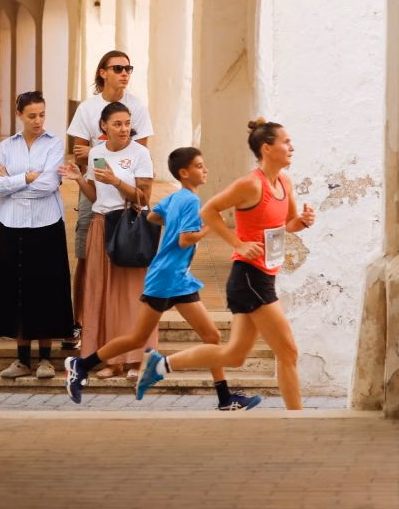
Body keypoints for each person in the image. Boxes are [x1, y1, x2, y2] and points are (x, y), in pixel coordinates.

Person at [63, 147, 262, 411]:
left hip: (174, 277)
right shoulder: (191, 201)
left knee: (204, 336)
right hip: (169, 278)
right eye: (199, 166)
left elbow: (154, 216)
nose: (205, 170)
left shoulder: (176, 196)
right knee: (150, 337)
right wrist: (209, 227)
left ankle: (225, 398)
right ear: (184, 173)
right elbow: (185, 239)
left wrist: (177, 226)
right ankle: (83, 365)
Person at [136, 119, 315, 409]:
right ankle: (297, 421)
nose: (291, 147)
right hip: (250, 277)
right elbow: (209, 210)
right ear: (266, 148)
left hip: (264, 275)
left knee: (234, 355)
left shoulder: (285, 183)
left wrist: (303, 221)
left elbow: (288, 224)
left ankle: (159, 365)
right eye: (286, 142)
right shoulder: (250, 184)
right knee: (288, 352)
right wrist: (238, 244)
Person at [63, 50, 153, 357]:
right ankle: (79, 323)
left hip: (126, 201)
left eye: (129, 68)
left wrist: (103, 155)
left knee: (126, 267)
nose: (125, 73)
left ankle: (126, 336)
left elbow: (137, 152)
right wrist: (97, 159)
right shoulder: (88, 108)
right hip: (97, 190)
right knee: (87, 257)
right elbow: (79, 151)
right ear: (103, 72)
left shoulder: (137, 107)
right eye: (118, 68)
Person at [0, 91, 74, 379]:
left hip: (46, 223)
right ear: (19, 115)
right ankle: (22, 359)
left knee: (46, 289)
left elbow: (48, 185)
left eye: (42, 115)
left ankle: (46, 359)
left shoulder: (54, 144)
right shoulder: (6, 146)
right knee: (17, 290)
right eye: (32, 116)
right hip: (12, 223)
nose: (38, 121)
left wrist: (12, 182)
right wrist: (26, 177)